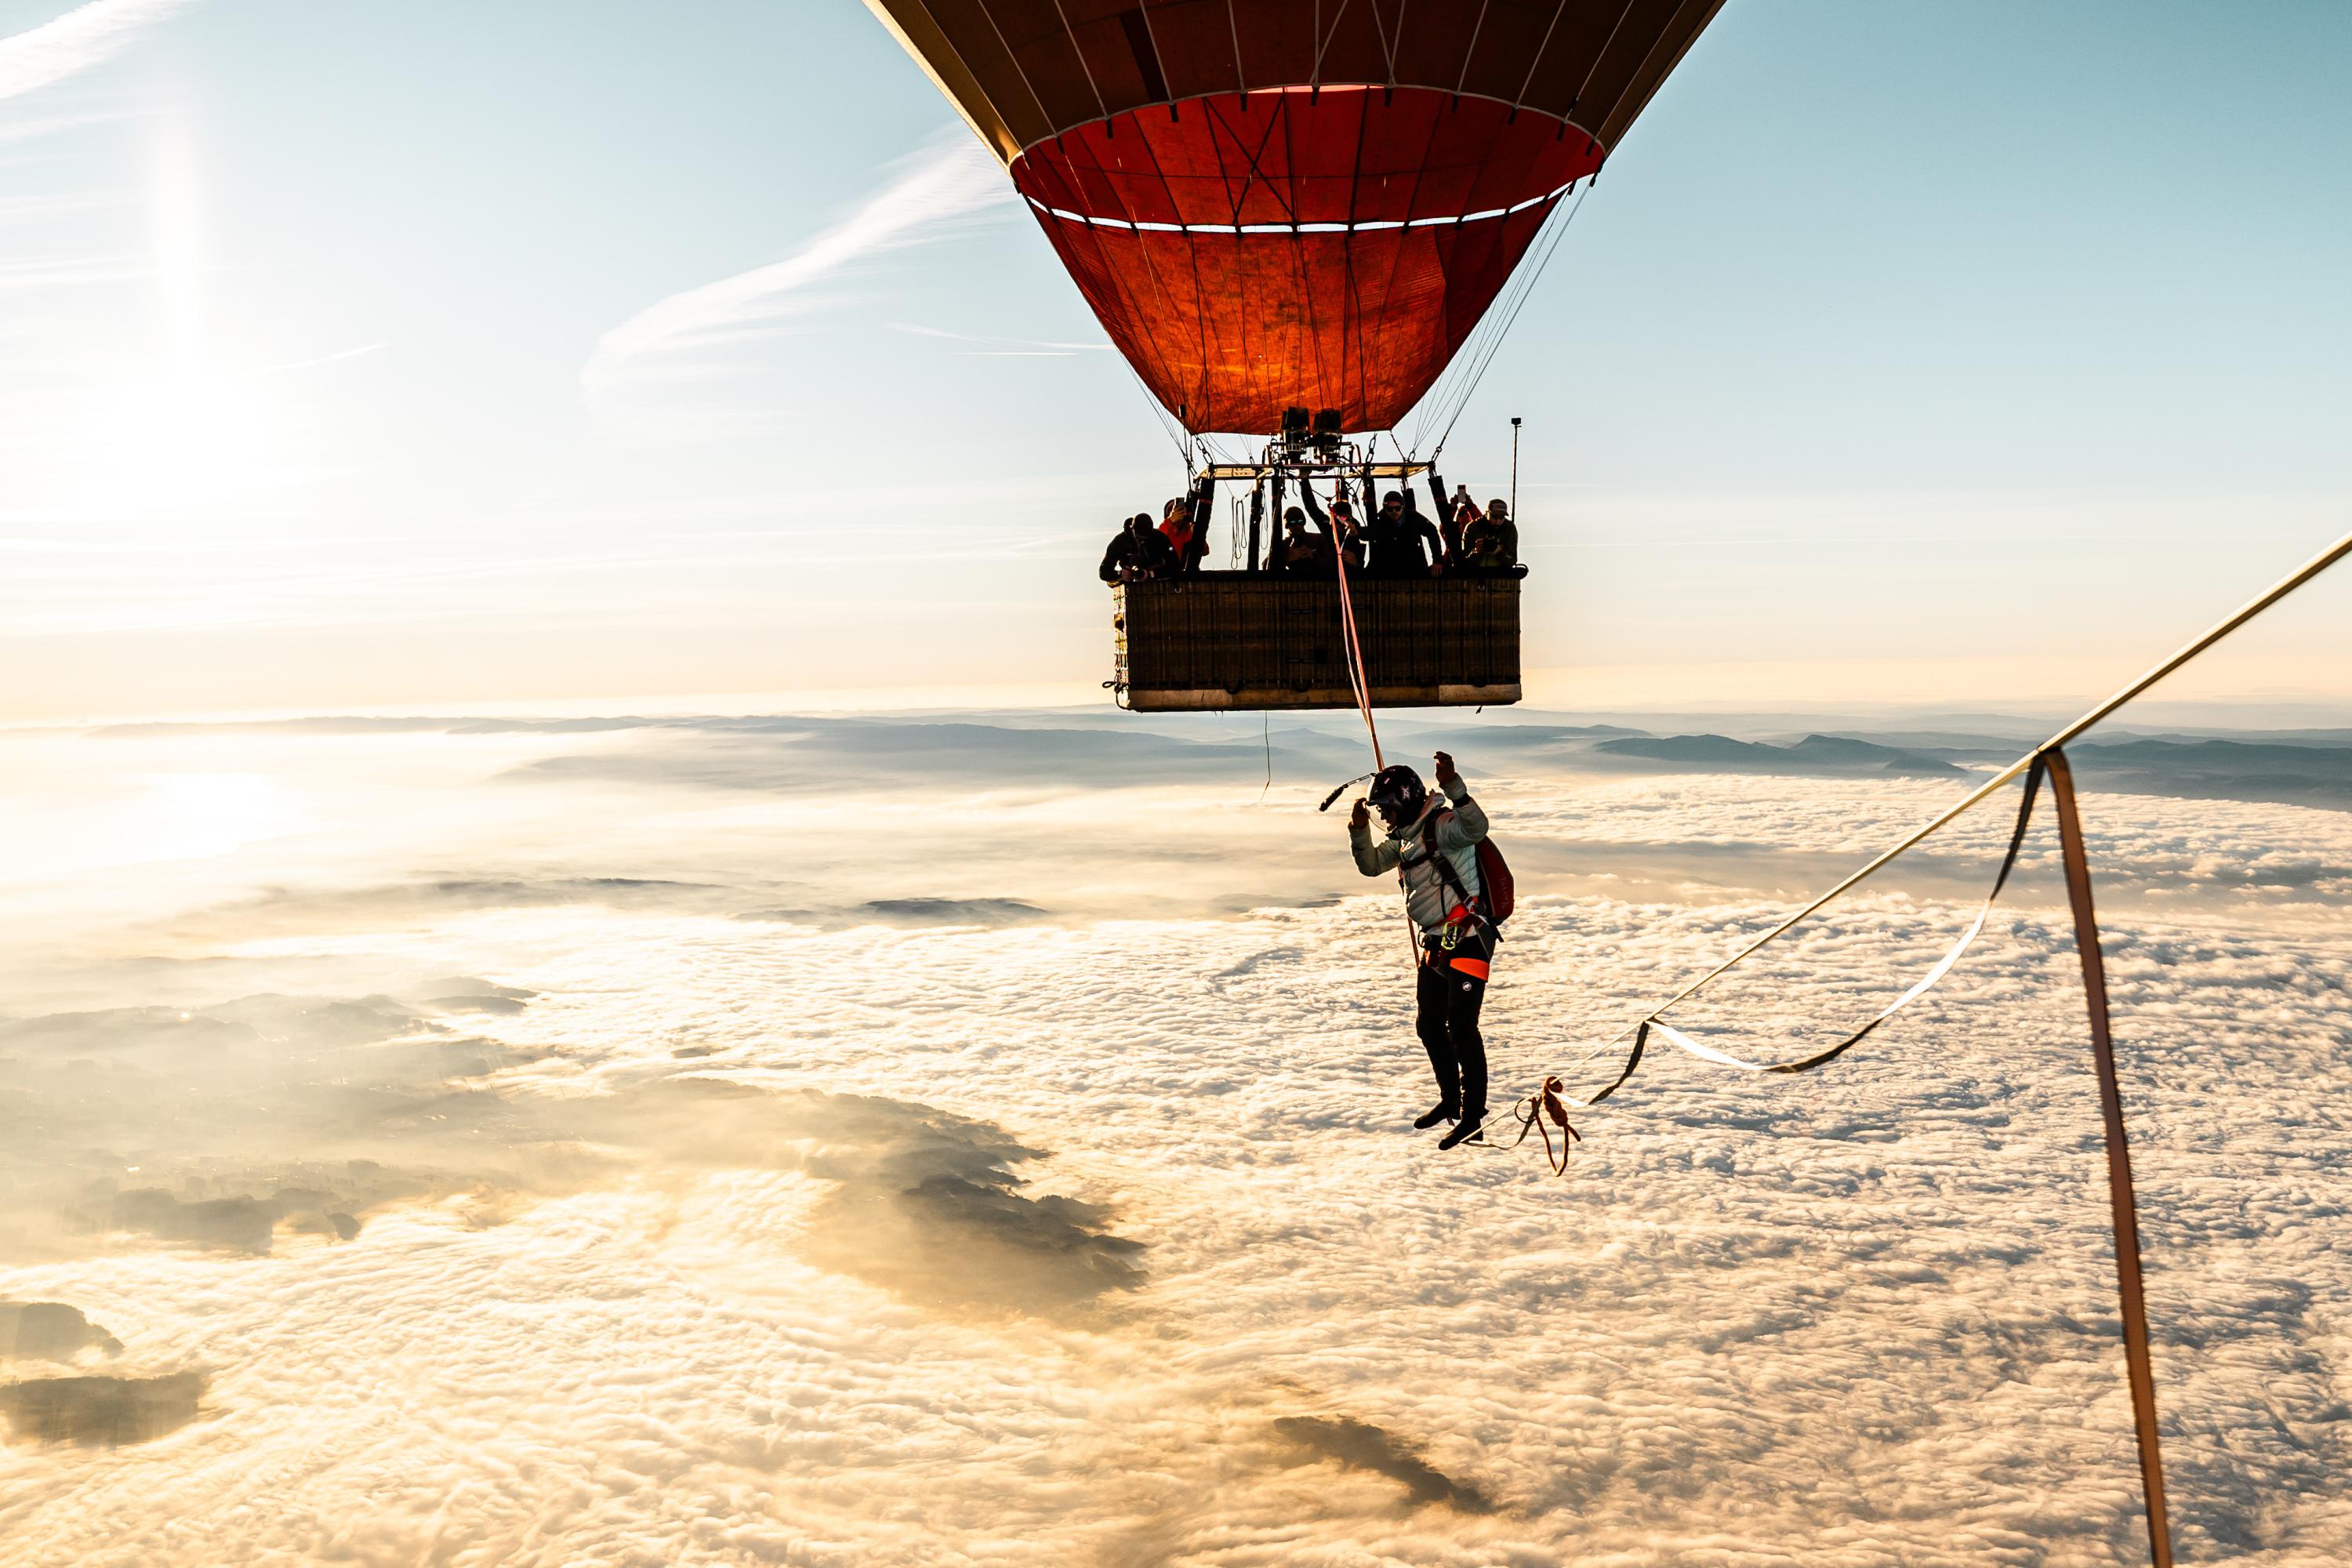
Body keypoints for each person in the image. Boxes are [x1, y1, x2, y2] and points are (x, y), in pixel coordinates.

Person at [1348, 750, 1494, 1149]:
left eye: (1388, 810)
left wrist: (1454, 785)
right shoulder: (1408, 839)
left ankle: (1473, 1115)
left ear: (1406, 802)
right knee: (1429, 1025)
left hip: (1467, 939)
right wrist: (1359, 831)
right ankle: (1451, 1098)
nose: (1386, 819)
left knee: (1461, 1027)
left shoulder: (1443, 827)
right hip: (1436, 942)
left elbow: (1476, 828)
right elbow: (1372, 865)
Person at [1367, 489, 1444, 577]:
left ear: (1403, 507)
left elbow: (1432, 532)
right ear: (1385, 509)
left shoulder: (1414, 519)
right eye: (1390, 509)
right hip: (1388, 570)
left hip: (1414, 568)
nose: (1394, 512)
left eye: (1397, 508)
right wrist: (1355, 530)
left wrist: (1437, 561)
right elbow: (1367, 533)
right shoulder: (1379, 522)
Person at [1300, 479, 1367, 572]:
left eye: (1345, 521)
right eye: (1338, 521)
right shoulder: (1328, 528)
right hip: (1329, 575)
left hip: (1350, 578)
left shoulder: (1355, 533)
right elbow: (1312, 508)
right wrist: (1304, 481)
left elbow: (1361, 566)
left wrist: (1356, 563)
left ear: (1350, 520)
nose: (1341, 525)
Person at [1098, 512, 1178, 583]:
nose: (1142, 542)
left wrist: (1152, 574)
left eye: (1145, 539)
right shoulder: (1121, 541)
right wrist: (1121, 574)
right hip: (1128, 584)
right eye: (1139, 538)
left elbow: (1175, 566)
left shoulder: (1160, 539)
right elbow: (1103, 572)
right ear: (1132, 530)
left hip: (1157, 581)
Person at [1461, 498, 1519, 574]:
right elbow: (1463, 562)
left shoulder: (1510, 528)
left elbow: (1512, 560)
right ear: (1487, 513)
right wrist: (1476, 551)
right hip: (1475, 577)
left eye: (1502, 517)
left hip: (1499, 578)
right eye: (1494, 517)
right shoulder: (1473, 527)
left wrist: (1500, 552)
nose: (1498, 521)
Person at [1272, 505, 1331, 576]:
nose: (1297, 526)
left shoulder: (1318, 539)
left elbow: (1332, 565)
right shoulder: (1283, 545)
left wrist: (1313, 557)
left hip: (1317, 583)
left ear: (1304, 522)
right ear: (1287, 525)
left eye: (1300, 522)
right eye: (1293, 523)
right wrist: (1287, 558)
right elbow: (1266, 565)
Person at [1158, 495, 1208, 575]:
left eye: (1181, 509)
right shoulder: (1164, 529)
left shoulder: (1189, 530)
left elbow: (1205, 552)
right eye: (1173, 510)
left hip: (1188, 574)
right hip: (1167, 574)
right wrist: (1171, 521)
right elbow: (1158, 537)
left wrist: (1198, 534)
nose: (1178, 512)